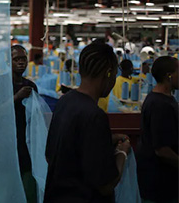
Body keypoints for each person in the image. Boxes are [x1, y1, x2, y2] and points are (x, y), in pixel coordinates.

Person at [44, 42, 131, 203]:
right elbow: (105, 185)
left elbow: (53, 154)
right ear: (108, 73)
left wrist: (105, 140)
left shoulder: (65, 101)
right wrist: (122, 153)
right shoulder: (95, 115)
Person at [0, 45, 38, 203]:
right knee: (3, 193)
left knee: (28, 193)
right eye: (16, 59)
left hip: (25, 147)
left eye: (23, 59)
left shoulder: (31, 87)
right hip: (4, 146)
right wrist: (16, 97)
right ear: (8, 62)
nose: (21, 62)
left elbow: (35, 119)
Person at [136, 56, 179, 203]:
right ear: (169, 75)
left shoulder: (162, 99)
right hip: (159, 185)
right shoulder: (160, 105)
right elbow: (162, 150)